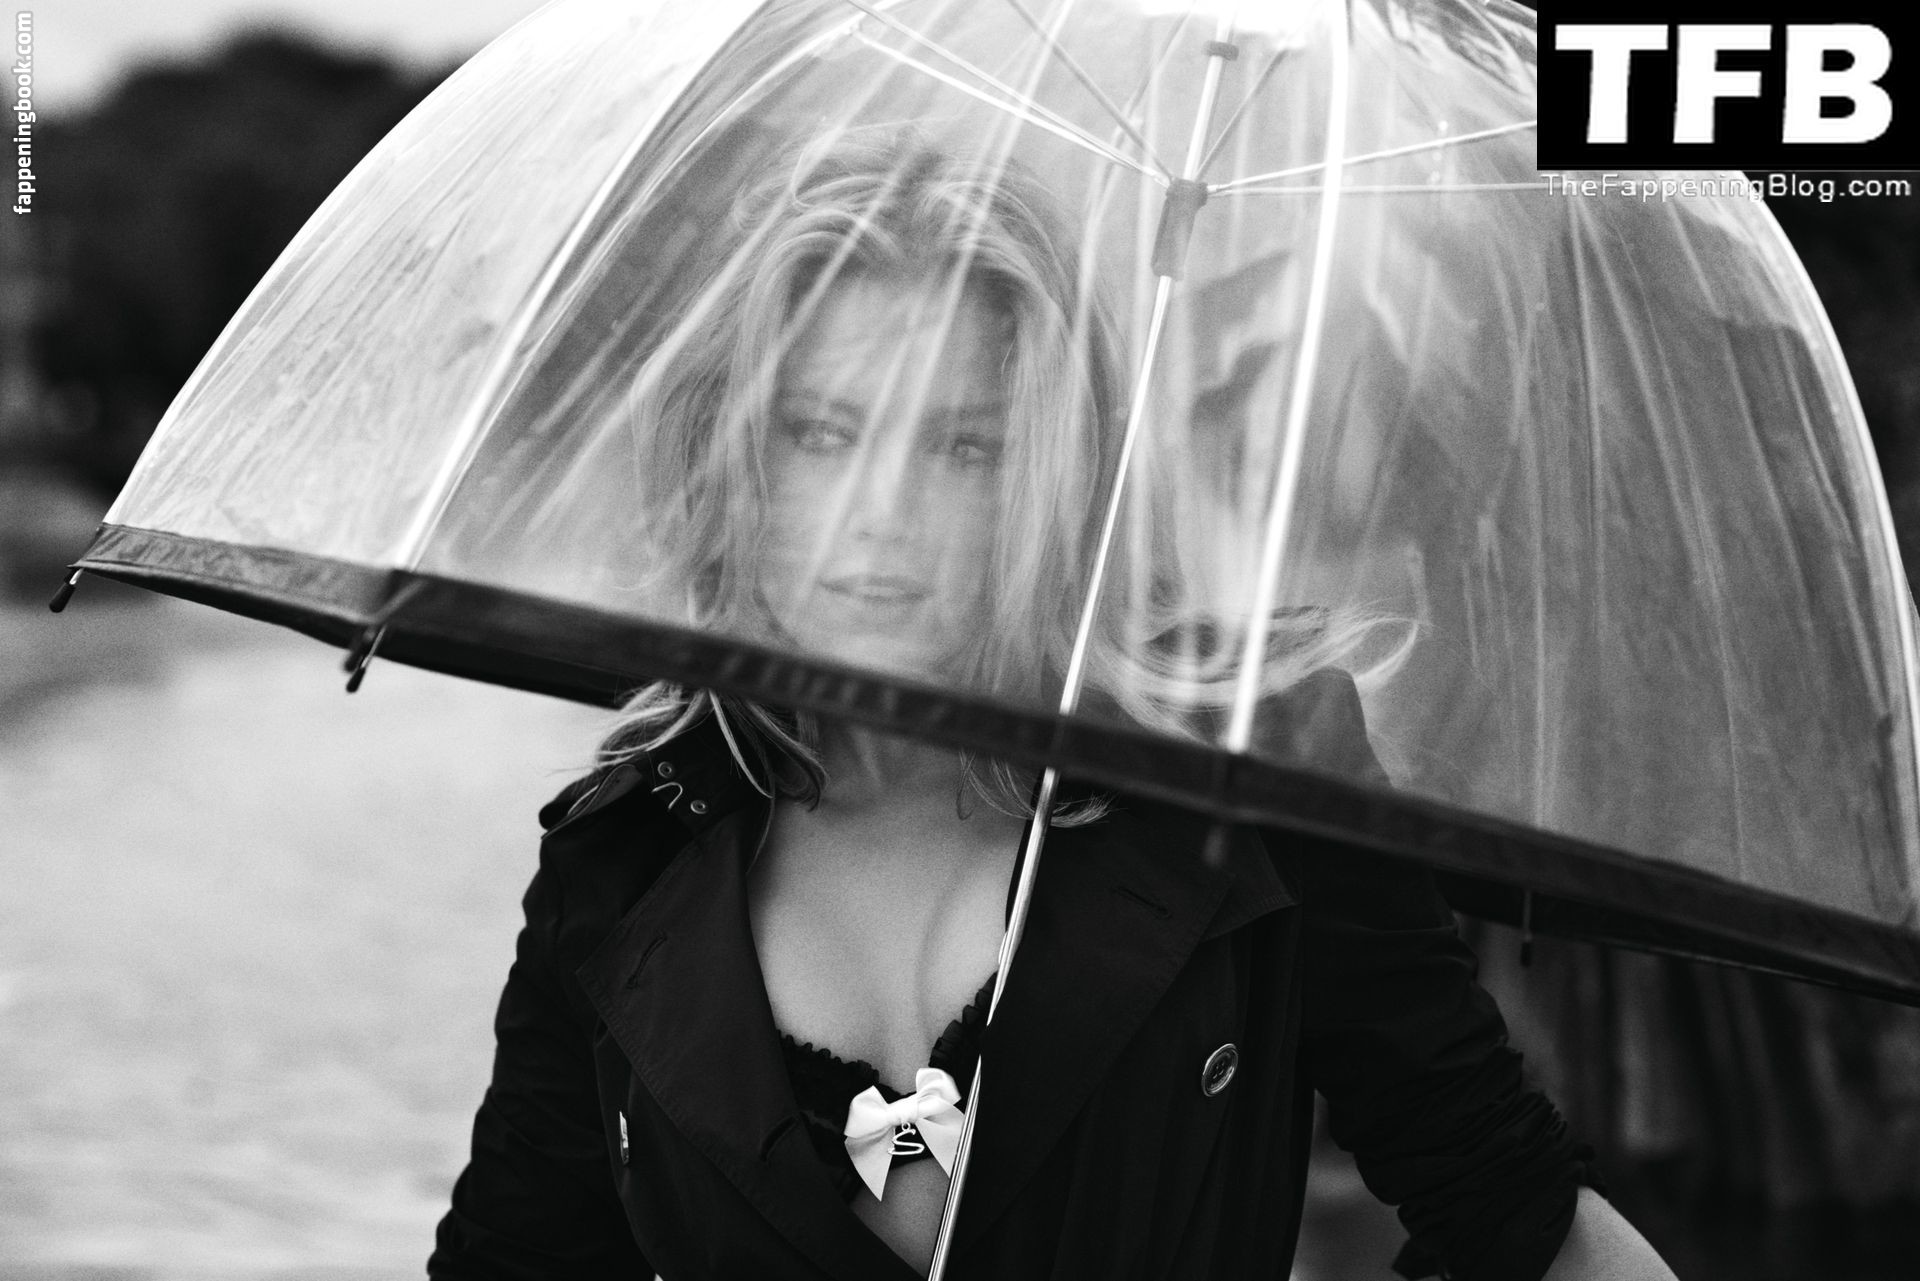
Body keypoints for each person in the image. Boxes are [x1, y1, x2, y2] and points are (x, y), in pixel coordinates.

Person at [429, 134, 1678, 1280]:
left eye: (963, 447)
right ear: (735, 450)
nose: (881, 514)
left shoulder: (1250, 776)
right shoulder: (625, 855)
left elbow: (1514, 1210)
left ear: (1056, 469)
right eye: (823, 434)